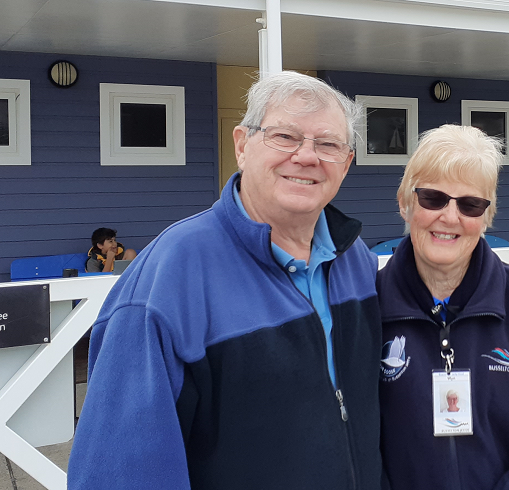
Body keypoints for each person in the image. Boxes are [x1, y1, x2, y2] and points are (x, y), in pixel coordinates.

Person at [68, 72, 382, 489]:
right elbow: (118, 474)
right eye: (284, 136)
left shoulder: (355, 259)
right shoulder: (171, 276)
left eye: (328, 144)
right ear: (241, 146)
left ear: (346, 163)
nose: (307, 156)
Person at [377, 125, 509, 489]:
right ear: (405, 203)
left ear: (487, 217)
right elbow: (357, 449)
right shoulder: (366, 307)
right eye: (433, 198)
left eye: (470, 204)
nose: (450, 217)